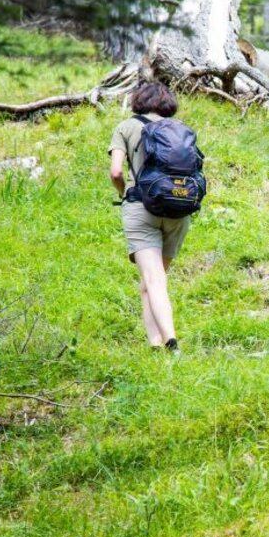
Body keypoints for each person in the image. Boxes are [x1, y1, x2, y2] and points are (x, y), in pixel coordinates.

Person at [108, 82, 191, 354]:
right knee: (151, 281)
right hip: (178, 208)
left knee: (153, 279)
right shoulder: (178, 129)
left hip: (141, 208)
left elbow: (116, 172)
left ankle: (170, 342)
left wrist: (124, 194)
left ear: (138, 100)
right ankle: (154, 343)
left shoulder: (126, 127)